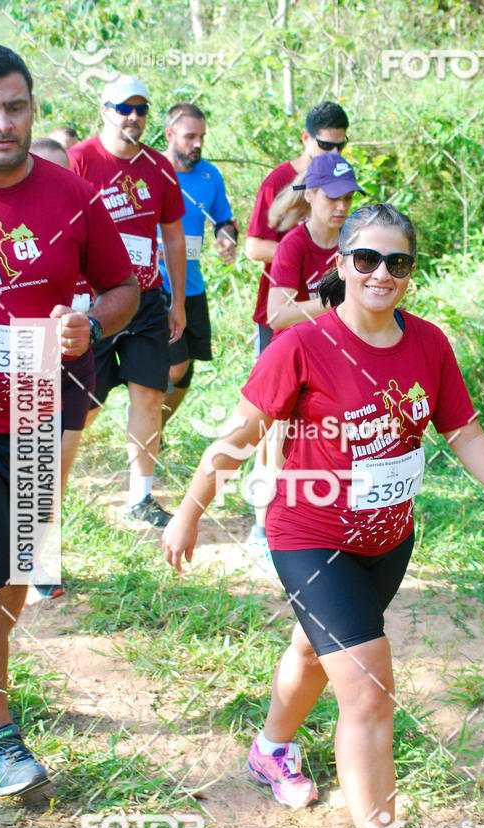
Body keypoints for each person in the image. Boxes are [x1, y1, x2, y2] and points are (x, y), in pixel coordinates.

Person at [162, 203, 484, 828]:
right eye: (366, 258)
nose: (380, 273)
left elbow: (465, 433)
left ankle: (271, 751)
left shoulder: (428, 344)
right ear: (341, 264)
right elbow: (239, 438)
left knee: (314, 650)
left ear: (411, 273)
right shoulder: (301, 346)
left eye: (397, 262)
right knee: (367, 691)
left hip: (389, 539)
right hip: (309, 536)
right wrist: (189, 512)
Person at [0, 45, 138, 796]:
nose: (1, 122)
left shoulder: (72, 195)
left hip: (32, 405)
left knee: (16, 564)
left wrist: (88, 319)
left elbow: (123, 288)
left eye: (14, 105)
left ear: (34, 108)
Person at [69, 75, 187, 528]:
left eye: (141, 109)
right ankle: (58, 477)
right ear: (105, 111)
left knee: (149, 394)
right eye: (124, 108)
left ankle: (140, 497)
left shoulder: (158, 166)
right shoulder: (79, 161)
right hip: (94, 303)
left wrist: (176, 301)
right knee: (83, 402)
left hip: (146, 299)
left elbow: (173, 236)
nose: (134, 117)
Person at [247, 153, 364, 575]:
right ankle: (262, 533)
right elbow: (277, 313)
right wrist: (336, 299)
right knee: (276, 452)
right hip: (291, 358)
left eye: (348, 197)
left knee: (334, 450)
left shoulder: (353, 240)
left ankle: (329, 532)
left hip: (336, 361)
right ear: (311, 194)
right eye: (333, 196)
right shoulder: (296, 243)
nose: (341, 206)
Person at [28, 137, 97, 599]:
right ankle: (26, 561)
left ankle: (40, 560)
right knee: (29, 470)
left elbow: (119, 284)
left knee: (54, 472)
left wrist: (90, 320)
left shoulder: (85, 220)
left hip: (75, 365)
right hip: (24, 366)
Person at [246, 100, 349, 354]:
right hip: (284, 302)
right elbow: (254, 246)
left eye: (341, 145)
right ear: (306, 137)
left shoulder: (341, 178)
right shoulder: (279, 180)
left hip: (323, 310)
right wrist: (301, 258)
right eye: (326, 145)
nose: (334, 153)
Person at [159, 102, 237, 429]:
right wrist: (153, 249)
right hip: (157, 285)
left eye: (201, 136)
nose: (198, 144)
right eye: (190, 136)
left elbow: (225, 221)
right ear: (169, 134)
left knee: (186, 372)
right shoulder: (150, 171)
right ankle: (143, 423)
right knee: (174, 366)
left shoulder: (210, 175)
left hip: (193, 285)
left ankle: (152, 426)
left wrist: (228, 238)